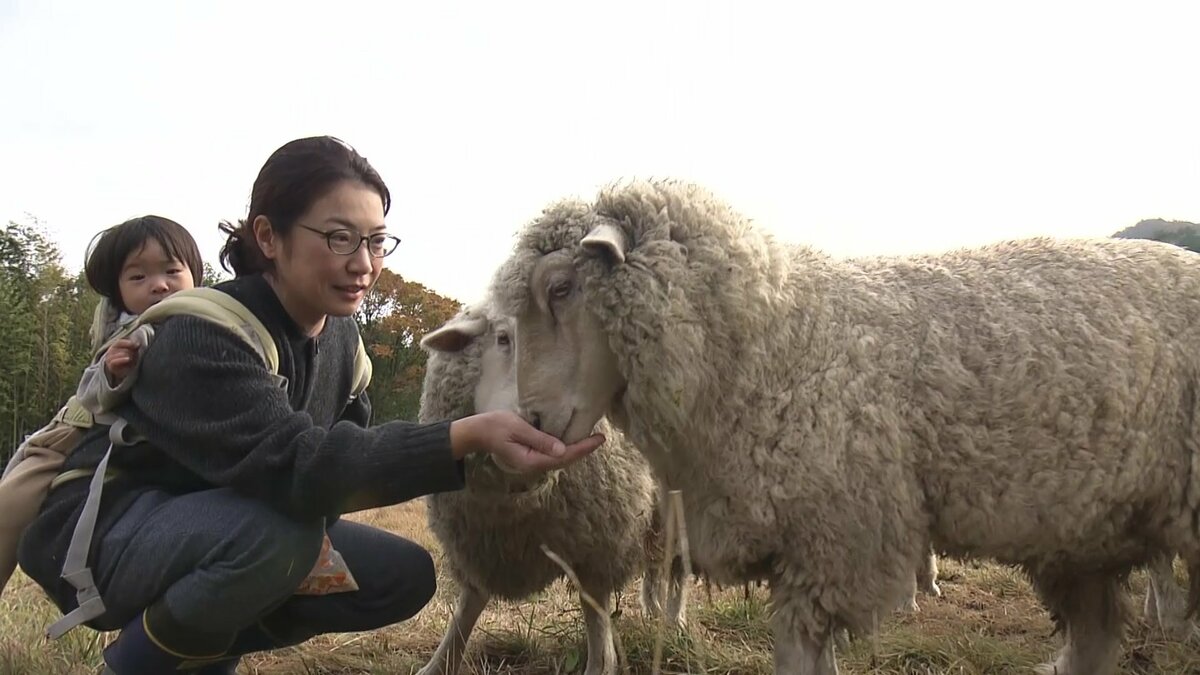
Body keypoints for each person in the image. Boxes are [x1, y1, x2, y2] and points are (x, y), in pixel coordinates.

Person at [17, 135, 604, 674]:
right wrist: (467, 436)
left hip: (219, 524)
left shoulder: (342, 340)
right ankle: (129, 665)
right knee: (279, 542)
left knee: (399, 577)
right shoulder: (202, 334)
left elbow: (346, 460)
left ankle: (196, 654)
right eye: (340, 238)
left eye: (376, 240)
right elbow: (300, 466)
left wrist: (487, 457)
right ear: (269, 237)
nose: (365, 263)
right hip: (109, 532)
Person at [0, 215, 202, 598]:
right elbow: (90, 396)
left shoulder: (207, 321)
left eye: (172, 271)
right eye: (138, 278)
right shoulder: (129, 330)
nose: (159, 285)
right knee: (10, 506)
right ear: (119, 290)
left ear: (195, 273)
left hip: (139, 455)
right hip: (69, 439)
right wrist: (112, 373)